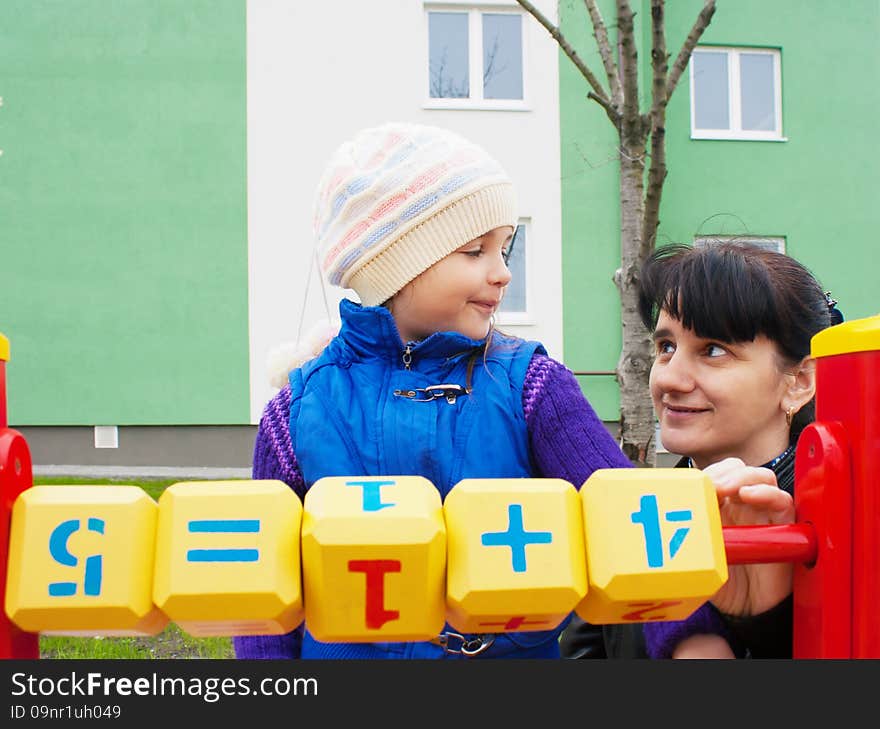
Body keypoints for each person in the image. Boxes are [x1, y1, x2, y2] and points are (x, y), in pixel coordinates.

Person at [233, 122, 633, 660]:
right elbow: (263, 590)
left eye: (504, 251)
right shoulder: (297, 410)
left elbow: (631, 525)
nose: (502, 274)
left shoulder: (532, 386)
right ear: (391, 266)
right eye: (474, 251)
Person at [562, 241, 841, 659]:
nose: (669, 379)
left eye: (713, 350)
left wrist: (766, 623)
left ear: (799, 381)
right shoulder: (633, 512)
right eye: (666, 347)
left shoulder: (846, 525)